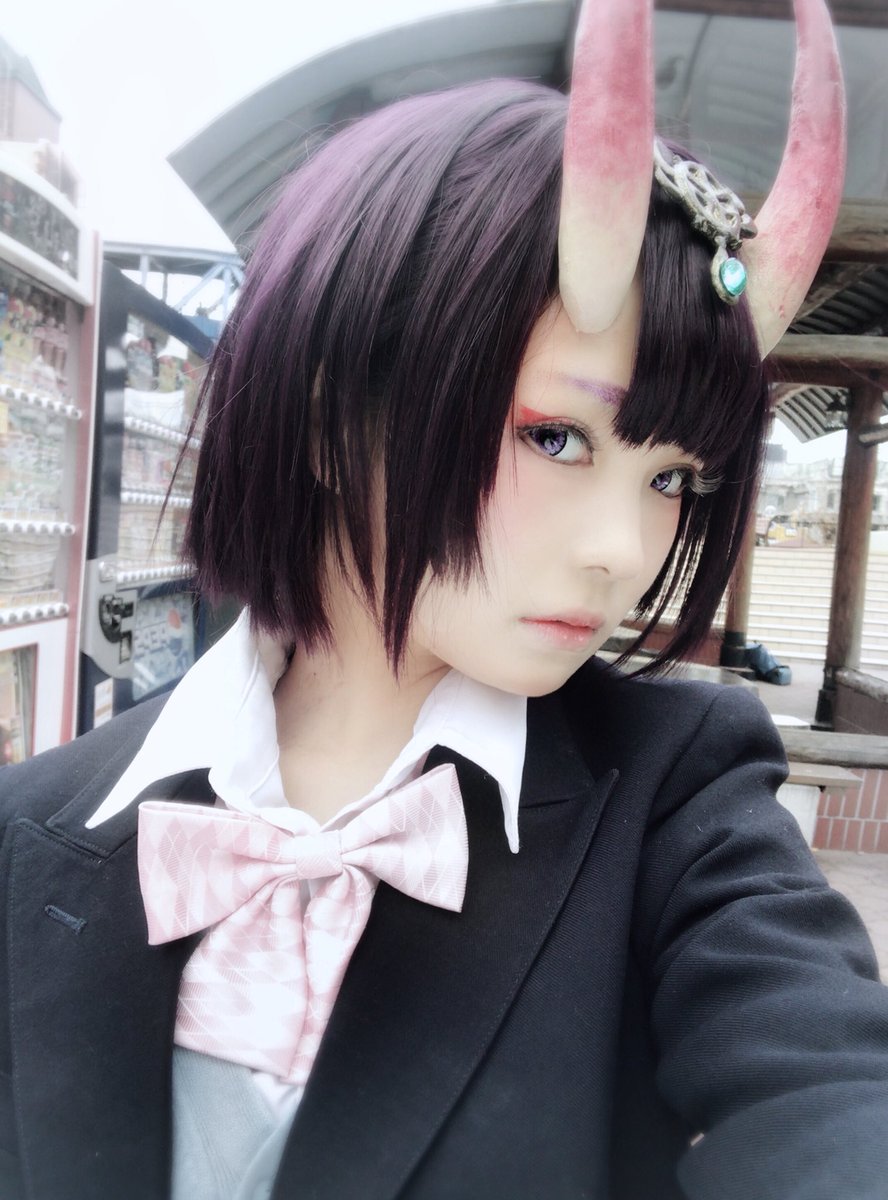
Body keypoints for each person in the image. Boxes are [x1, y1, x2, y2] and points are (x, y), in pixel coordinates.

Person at [1, 1, 887, 1198]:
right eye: (555, 437)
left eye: (674, 477)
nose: (624, 551)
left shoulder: (680, 796)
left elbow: (825, 1086)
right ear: (331, 417)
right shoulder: (28, 827)